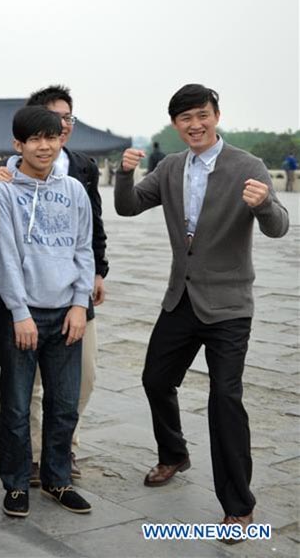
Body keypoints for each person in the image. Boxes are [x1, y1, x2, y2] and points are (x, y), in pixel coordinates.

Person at [114, 84, 289, 541]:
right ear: (175, 124)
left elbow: (279, 227)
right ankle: (174, 454)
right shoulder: (172, 167)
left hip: (229, 306)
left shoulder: (247, 166)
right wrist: (125, 174)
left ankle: (239, 507)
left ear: (216, 116)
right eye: (185, 118)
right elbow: (128, 207)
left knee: (224, 400)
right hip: (181, 299)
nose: (195, 125)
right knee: (155, 379)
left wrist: (264, 204)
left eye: (202, 115)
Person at [0, 84, 108, 485]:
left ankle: (58, 479)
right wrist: (19, 312)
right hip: (22, 313)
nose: (45, 146)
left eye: (52, 136)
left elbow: (84, 247)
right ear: (18, 144)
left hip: (66, 311)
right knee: (18, 404)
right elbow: (3, 255)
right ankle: (18, 481)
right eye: (35, 138)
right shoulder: (3, 188)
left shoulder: (75, 187)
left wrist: (79, 304)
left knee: (66, 402)